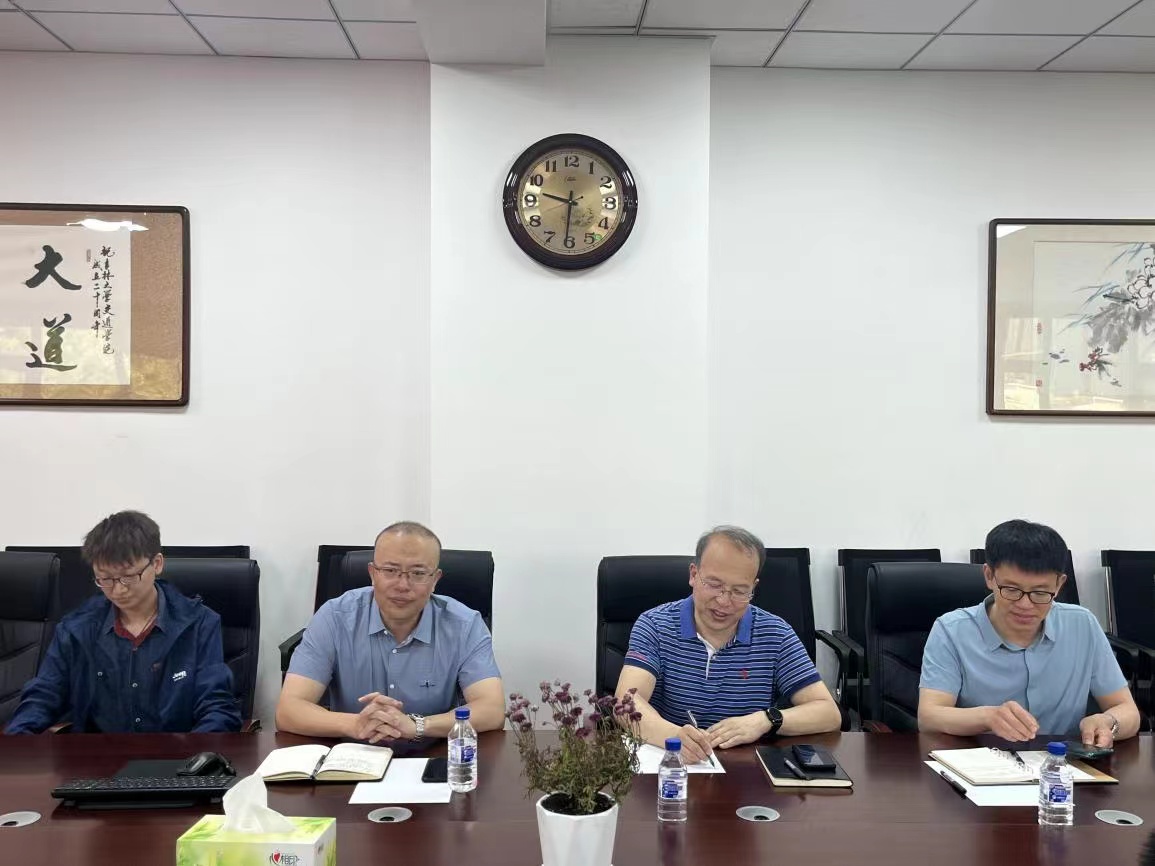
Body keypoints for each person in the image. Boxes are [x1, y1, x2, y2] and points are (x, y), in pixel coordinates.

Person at [615, 525, 841, 764]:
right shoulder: (655, 625)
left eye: (739, 591)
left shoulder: (776, 633)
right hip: (671, 764)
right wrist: (674, 736)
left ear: (753, 587)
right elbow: (626, 701)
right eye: (714, 585)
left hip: (746, 770)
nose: (724, 601)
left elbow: (828, 713)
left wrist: (766, 720)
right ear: (693, 575)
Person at [5, 510, 241, 734]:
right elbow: (43, 697)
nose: (118, 590)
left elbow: (217, 708)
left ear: (157, 564)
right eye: (105, 579)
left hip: (178, 758)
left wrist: (196, 756)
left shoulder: (199, 623)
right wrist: (16, 744)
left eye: (128, 577)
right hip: (97, 759)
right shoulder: (76, 629)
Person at [276, 521, 504, 743]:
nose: (402, 585)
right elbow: (289, 710)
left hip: (434, 756)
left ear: (435, 580)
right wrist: (355, 724)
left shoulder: (465, 625)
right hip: (353, 757)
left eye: (418, 573)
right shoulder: (334, 618)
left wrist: (418, 726)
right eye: (390, 570)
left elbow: (492, 709)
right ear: (372, 573)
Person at [919, 519, 1139, 744]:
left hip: (1064, 761)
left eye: (1040, 593)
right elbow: (929, 717)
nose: (1025, 605)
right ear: (989, 576)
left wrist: (1108, 722)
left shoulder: (1082, 625)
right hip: (982, 760)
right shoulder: (951, 630)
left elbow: (1127, 710)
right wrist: (987, 717)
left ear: (1059, 584)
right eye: (1011, 589)